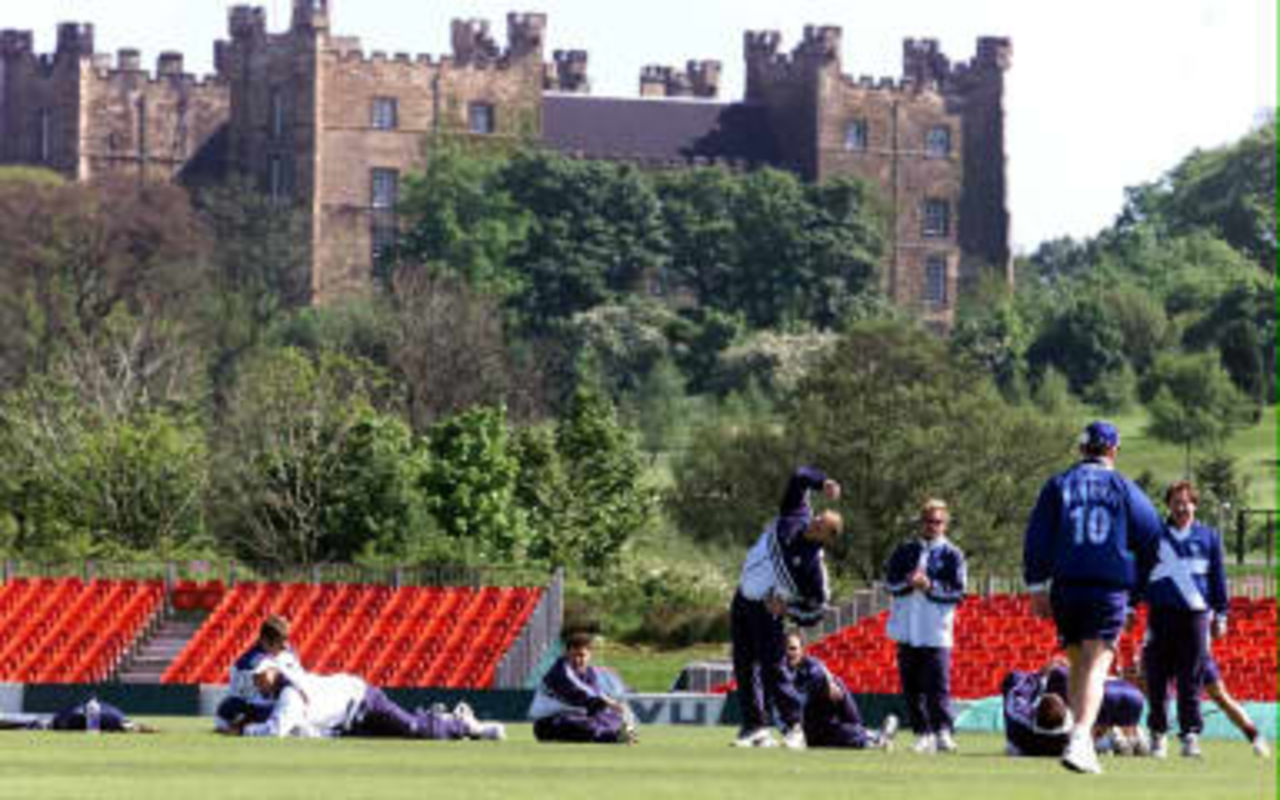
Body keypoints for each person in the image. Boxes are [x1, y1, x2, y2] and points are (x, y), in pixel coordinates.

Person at [1022, 420, 1163, 774]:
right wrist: (1136, 594)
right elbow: (1153, 538)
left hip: (1066, 587)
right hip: (1106, 586)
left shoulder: (1058, 483)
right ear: (1113, 450)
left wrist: (1037, 586)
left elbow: (1036, 538)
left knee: (1078, 666)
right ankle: (1083, 738)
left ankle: (1076, 735)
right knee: (1098, 666)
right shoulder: (1122, 486)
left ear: (1082, 449)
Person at [730, 466, 842, 749]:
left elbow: (816, 612)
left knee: (773, 668)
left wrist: (788, 611)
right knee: (743, 666)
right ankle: (755, 728)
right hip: (742, 597)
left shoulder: (813, 569)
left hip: (767, 608)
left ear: (827, 540)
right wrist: (823, 481)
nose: (816, 522)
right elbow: (797, 476)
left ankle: (794, 727)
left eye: (823, 526)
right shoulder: (796, 514)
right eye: (819, 517)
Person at [1139, 480, 1232, 759]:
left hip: (1195, 617)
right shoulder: (1155, 537)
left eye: (1186, 502)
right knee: (1156, 677)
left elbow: (1218, 579)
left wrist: (1222, 614)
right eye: (1176, 502)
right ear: (1168, 505)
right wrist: (1131, 606)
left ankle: (1190, 735)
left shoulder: (1209, 537)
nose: (1182, 507)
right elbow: (1139, 574)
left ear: (1194, 505)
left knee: (1191, 679)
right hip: (1161, 615)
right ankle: (1158, 734)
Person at [228, 659, 504, 741]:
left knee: (416, 730)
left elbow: (276, 730)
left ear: (274, 671)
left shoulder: (289, 692)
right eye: (255, 678)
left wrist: (244, 730)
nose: (257, 681)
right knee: (405, 736)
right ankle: (443, 719)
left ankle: (467, 725)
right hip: (350, 722)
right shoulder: (284, 688)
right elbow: (269, 711)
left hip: (361, 701)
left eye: (260, 676)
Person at [884, 498, 966, 754]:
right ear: (921, 523)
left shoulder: (953, 554)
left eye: (938, 522)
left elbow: (958, 592)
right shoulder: (905, 550)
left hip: (936, 629)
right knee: (911, 686)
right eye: (929, 521)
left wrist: (930, 587)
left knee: (938, 685)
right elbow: (890, 583)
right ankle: (922, 733)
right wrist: (909, 582)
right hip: (908, 628)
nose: (933, 526)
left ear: (946, 524)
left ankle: (943, 731)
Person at [1002, 660, 1146, 758]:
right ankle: (1116, 738)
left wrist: (1040, 676)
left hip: (1025, 744)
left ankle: (1114, 739)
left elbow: (1014, 682)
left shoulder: (1019, 722)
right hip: (1068, 742)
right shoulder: (1071, 734)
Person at [783, 633, 898, 750]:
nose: (789, 653)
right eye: (785, 649)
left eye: (793, 649)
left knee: (837, 683)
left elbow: (820, 670)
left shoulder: (809, 665)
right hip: (808, 728)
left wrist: (830, 682)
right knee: (839, 733)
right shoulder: (779, 671)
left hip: (821, 724)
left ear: (802, 650)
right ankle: (875, 736)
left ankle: (873, 736)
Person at [528, 631, 637, 744]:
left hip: (577, 717)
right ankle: (615, 736)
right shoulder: (560, 671)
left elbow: (594, 704)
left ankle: (619, 733)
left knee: (611, 718)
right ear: (566, 653)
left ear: (590, 655)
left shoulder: (589, 673)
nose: (577, 660)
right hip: (548, 723)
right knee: (577, 724)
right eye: (573, 655)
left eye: (581, 655)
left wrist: (618, 714)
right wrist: (611, 703)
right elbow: (584, 691)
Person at [216, 613, 304, 732]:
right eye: (279, 643)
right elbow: (246, 699)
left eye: (285, 641)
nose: (284, 647)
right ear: (265, 641)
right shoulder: (249, 664)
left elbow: (299, 678)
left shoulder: (288, 652)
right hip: (247, 705)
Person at [0, 698, 157, 733]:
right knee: (24, 724)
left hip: (56, 720)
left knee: (24, 724)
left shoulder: (113, 717)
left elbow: (132, 726)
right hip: (50, 721)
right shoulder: (113, 718)